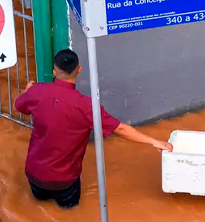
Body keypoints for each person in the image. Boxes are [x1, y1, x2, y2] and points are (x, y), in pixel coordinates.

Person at [14, 49, 172, 209]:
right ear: (79, 69)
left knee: (39, 208)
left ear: (54, 72)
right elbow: (121, 129)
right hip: (64, 180)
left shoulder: (36, 92)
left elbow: (18, 105)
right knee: (69, 213)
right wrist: (154, 141)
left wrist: (28, 90)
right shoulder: (86, 106)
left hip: (34, 174)